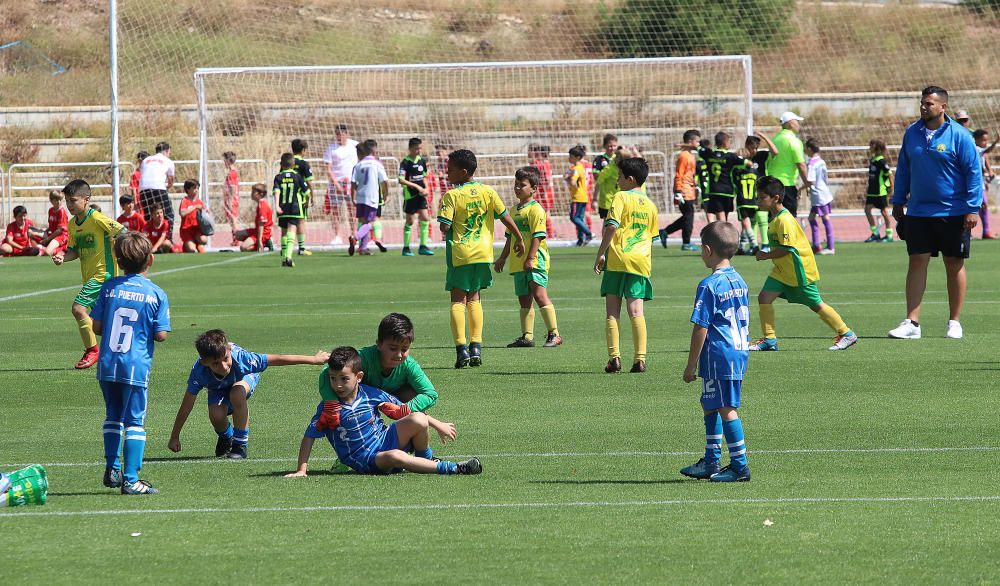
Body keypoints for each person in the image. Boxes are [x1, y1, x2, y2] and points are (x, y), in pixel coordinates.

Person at [285, 346, 480, 477]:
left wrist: (438, 424)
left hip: (384, 440)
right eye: (332, 378)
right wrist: (302, 469)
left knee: (419, 419)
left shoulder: (371, 394)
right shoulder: (328, 408)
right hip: (365, 459)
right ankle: (454, 468)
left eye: (344, 378)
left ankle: (425, 460)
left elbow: (403, 412)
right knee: (394, 456)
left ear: (359, 377)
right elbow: (309, 436)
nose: (337, 385)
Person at [889, 86, 983, 341]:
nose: (923, 107)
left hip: (953, 211)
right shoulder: (912, 133)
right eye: (922, 103)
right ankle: (912, 322)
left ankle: (954, 321)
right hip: (919, 211)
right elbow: (904, 169)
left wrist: (972, 207)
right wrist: (898, 201)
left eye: (929, 103)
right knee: (916, 261)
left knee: (953, 264)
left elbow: (973, 173)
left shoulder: (960, 136)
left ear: (943, 107)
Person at [167, 329, 329, 460]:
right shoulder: (199, 372)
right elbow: (187, 404)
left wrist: (314, 359)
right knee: (216, 416)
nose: (223, 366)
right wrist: (175, 436)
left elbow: (278, 358)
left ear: (229, 350)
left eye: (225, 358)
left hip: (243, 378)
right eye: (216, 363)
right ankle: (226, 437)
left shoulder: (243, 359)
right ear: (205, 362)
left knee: (237, 393)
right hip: (218, 387)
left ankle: (240, 445)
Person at [90, 232, 170, 495]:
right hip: (135, 365)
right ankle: (132, 479)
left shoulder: (109, 287)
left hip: (107, 362)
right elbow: (161, 334)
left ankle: (113, 467)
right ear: (151, 259)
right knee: (135, 420)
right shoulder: (156, 293)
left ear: (119, 261)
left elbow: (98, 327)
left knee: (113, 415)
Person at [438, 149, 525, 369]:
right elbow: (506, 217)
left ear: (463, 171)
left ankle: (461, 350)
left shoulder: (452, 196)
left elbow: (444, 226)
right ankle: (476, 346)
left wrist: (447, 221)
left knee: (458, 300)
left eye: (450, 169)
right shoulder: (488, 192)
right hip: (483, 254)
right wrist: (518, 237)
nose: (447, 172)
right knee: (475, 299)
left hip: (461, 254)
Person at [751, 176, 858, 352]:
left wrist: (765, 255)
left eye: (762, 197)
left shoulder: (784, 220)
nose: (758, 201)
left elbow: (787, 249)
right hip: (782, 271)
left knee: (815, 303)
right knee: (764, 297)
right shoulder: (775, 217)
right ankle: (769, 340)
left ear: (776, 198)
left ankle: (846, 333)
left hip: (797, 271)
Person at [680, 221, 751, 482]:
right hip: (736, 350)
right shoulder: (740, 280)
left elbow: (701, 327)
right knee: (709, 403)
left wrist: (690, 366)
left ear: (708, 250)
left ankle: (740, 466)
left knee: (725, 407)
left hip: (720, 353)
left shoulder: (709, 285)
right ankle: (711, 461)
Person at [52, 180, 127, 369]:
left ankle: (92, 350)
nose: (69, 205)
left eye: (73, 201)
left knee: (78, 309)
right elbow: (74, 251)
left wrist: (124, 253)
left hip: (104, 275)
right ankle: (117, 356)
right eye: (67, 201)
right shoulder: (72, 224)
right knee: (104, 321)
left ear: (86, 200)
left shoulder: (97, 219)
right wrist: (62, 256)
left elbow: (123, 231)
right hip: (89, 277)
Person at [593, 157, 658, 374]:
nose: (618, 181)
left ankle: (614, 358)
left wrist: (601, 254)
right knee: (636, 311)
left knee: (613, 311)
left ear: (630, 179)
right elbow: (652, 239)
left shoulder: (620, 197)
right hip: (640, 262)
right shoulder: (651, 205)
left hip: (618, 258)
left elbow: (611, 226)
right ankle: (640, 359)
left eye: (620, 177)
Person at [495, 166, 562, 349]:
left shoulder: (536, 210)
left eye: (522, 185)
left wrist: (531, 258)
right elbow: (510, 237)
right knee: (524, 298)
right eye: (516, 184)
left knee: (540, 295)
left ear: (533, 188)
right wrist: (502, 258)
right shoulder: (514, 210)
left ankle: (554, 334)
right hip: (518, 262)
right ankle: (527, 336)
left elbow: (538, 236)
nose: (517, 188)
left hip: (535, 261)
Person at [736, 132, 778, 254]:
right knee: (752, 220)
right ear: (746, 145)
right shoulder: (742, 159)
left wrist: (765, 137)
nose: (754, 150)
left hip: (761, 191)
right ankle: (751, 245)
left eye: (756, 148)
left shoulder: (761, 156)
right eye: (752, 148)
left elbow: (775, 152)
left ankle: (765, 245)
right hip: (747, 194)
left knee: (761, 217)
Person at [659, 129, 700, 251]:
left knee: (687, 217)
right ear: (690, 141)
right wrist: (678, 191)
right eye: (697, 141)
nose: (698, 143)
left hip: (690, 190)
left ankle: (665, 232)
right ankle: (686, 243)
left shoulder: (691, 155)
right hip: (684, 190)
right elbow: (679, 174)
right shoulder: (683, 156)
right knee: (688, 217)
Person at [766, 112, 811, 217]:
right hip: (787, 185)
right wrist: (807, 184)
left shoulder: (775, 139)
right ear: (790, 124)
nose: (799, 125)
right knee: (789, 219)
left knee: (773, 219)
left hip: (772, 184)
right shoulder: (794, 141)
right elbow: (801, 165)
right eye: (797, 122)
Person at [349, 140, 389, 256]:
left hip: (361, 197)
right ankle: (355, 237)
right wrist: (386, 195)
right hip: (372, 197)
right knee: (370, 222)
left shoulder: (358, 165)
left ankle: (363, 248)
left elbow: (352, 183)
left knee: (363, 221)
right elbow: (385, 181)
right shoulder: (377, 164)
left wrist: (353, 198)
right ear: (373, 151)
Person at [700, 131, 750, 223]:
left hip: (714, 190)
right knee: (724, 219)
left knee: (720, 218)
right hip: (728, 191)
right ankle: (723, 235)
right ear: (725, 142)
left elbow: (699, 149)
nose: (730, 144)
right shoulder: (731, 156)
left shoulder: (709, 154)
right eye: (729, 142)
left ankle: (721, 234)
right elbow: (748, 163)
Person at [322, 124, 359, 245]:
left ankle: (354, 235)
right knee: (335, 210)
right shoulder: (331, 148)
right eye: (337, 134)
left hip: (352, 183)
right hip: (336, 183)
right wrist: (335, 183)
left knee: (353, 210)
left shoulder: (355, 145)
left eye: (342, 134)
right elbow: (328, 168)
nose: (339, 137)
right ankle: (337, 235)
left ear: (347, 134)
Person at [398, 137, 435, 256]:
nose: (418, 151)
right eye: (416, 148)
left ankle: (423, 246)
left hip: (421, 196)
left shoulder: (421, 161)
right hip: (410, 195)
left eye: (420, 148)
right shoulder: (405, 162)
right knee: (410, 220)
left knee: (425, 218)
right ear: (410, 149)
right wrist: (417, 187)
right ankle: (406, 248)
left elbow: (424, 177)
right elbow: (401, 179)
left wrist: (426, 188)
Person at [274, 152, 308, 268]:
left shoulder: (278, 177)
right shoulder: (297, 176)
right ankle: (288, 257)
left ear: (281, 164)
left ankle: (284, 256)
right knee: (291, 231)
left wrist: (277, 206)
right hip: (294, 208)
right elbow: (306, 191)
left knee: (284, 231)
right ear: (293, 164)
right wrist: (307, 201)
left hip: (282, 208)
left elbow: (276, 192)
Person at [805, 139, 835, 255]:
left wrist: (801, 189)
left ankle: (830, 247)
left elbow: (811, 181)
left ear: (809, 149)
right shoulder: (821, 161)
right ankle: (816, 245)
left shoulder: (812, 163)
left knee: (825, 218)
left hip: (819, 195)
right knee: (811, 218)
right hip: (823, 192)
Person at [138, 142, 176, 233]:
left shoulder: (146, 160)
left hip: (143, 190)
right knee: (168, 214)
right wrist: (168, 186)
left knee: (148, 215)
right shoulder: (168, 161)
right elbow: (171, 179)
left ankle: (148, 239)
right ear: (167, 151)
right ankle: (168, 238)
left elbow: (143, 173)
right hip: (159, 188)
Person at [864, 139, 894, 243]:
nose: (869, 147)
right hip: (872, 191)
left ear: (876, 147)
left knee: (884, 212)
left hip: (880, 191)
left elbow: (889, 174)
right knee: (867, 210)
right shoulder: (873, 160)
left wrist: (891, 187)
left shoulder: (882, 161)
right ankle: (875, 233)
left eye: (871, 145)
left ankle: (889, 235)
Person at [972, 129, 998, 239]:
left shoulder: (980, 150)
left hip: (980, 181)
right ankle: (975, 231)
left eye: (986, 140)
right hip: (974, 182)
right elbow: (987, 150)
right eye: (983, 140)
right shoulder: (976, 148)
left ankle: (986, 231)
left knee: (984, 206)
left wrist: (987, 173)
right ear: (976, 140)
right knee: (979, 205)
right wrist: (997, 141)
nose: (985, 142)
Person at [564, 145, 593, 246]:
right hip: (583, 197)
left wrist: (570, 180)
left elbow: (573, 181)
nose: (569, 158)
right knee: (579, 219)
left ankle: (588, 233)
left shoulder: (576, 168)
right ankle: (580, 239)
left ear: (577, 157)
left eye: (571, 156)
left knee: (574, 218)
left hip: (577, 198)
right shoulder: (580, 167)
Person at [233, 183, 274, 252]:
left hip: (264, 233)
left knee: (243, 248)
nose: (251, 194)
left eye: (254, 192)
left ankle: (264, 243)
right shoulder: (260, 204)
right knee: (237, 235)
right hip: (257, 230)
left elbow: (261, 225)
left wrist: (259, 240)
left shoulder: (262, 206)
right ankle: (257, 242)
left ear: (260, 194)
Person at [291, 139, 313, 255]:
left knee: (287, 222)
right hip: (300, 196)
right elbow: (309, 182)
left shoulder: (287, 162)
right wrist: (312, 196)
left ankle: (285, 248)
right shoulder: (304, 164)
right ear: (303, 150)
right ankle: (302, 248)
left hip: (287, 197)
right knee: (300, 221)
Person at [529, 144, 556, 238]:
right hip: (542, 192)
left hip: (545, 193)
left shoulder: (544, 164)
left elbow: (548, 180)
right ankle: (548, 232)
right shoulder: (540, 163)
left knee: (546, 213)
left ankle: (551, 235)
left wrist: (544, 192)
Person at [593, 133, 620, 219]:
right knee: (607, 222)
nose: (612, 148)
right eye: (610, 146)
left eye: (614, 146)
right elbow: (596, 177)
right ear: (604, 146)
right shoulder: (599, 159)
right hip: (606, 198)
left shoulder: (620, 158)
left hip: (619, 195)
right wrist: (607, 172)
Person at [178, 179, 207, 254]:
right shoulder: (185, 200)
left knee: (204, 240)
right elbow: (182, 213)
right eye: (194, 188)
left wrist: (207, 213)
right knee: (192, 250)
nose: (196, 190)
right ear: (188, 189)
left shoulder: (199, 202)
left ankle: (198, 244)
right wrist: (194, 207)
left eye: (197, 188)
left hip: (197, 229)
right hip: (186, 230)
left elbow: (205, 214)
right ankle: (188, 245)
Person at [40, 190, 69, 257]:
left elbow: (59, 231)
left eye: (60, 200)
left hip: (62, 236)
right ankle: (39, 249)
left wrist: (47, 239)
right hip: (52, 234)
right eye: (56, 200)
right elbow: (51, 227)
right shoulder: (50, 210)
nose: (59, 202)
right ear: (51, 200)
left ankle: (63, 249)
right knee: (31, 232)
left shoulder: (61, 212)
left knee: (47, 252)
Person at [221, 151, 240, 243]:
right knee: (232, 220)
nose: (223, 162)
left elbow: (232, 188)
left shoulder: (232, 173)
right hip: (232, 199)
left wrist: (230, 201)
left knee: (233, 220)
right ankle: (235, 238)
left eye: (224, 160)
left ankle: (236, 239)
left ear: (228, 161)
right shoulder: (232, 172)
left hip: (232, 200)